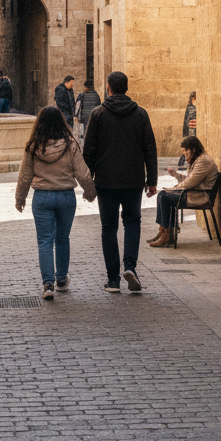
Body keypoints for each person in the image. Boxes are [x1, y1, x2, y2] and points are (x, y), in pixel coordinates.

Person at [82, 71, 158, 294]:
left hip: (106, 182)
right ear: (126, 88)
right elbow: (150, 150)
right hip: (133, 180)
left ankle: (113, 280)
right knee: (132, 222)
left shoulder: (97, 115)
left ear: (108, 88)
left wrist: (88, 184)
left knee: (109, 228)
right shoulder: (141, 114)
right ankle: (131, 266)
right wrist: (151, 180)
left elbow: (89, 152)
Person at [15, 107, 96, 300]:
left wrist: (20, 198)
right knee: (62, 238)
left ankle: (48, 284)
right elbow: (82, 172)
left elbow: (25, 175)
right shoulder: (70, 145)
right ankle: (61, 279)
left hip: (42, 197)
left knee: (44, 241)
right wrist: (90, 192)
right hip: (66, 196)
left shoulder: (33, 146)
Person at [149, 135, 218, 247]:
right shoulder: (198, 160)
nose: (184, 154)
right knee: (163, 195)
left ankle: (166, 234)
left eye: (185, 151)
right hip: (194, 193)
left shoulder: (203, 161)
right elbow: (190, 180)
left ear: (193, 149)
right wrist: (176, 175)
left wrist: (172, 189)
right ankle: (165, 232)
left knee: (164, 196)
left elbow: (190, 183)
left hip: (200, 197)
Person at [180, 92, 197, 167]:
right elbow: (187, 120)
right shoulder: (191, 108)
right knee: (190, 146)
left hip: (194, 130)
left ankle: (185, 160)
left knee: (191, 147)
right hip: (192, 130)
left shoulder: (194, 107)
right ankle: (183, 160)